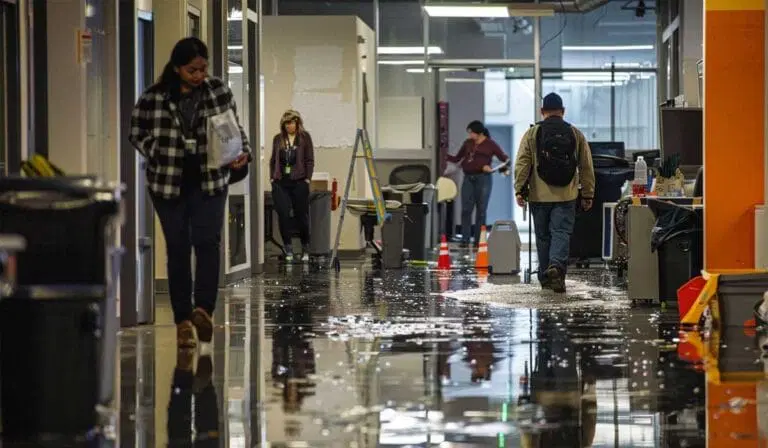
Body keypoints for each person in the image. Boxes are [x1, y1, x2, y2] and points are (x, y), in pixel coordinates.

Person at [129, 37, 251, 348]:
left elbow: (234, 127)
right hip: (168, 183)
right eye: (192, 70)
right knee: (178, 247)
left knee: (207, 242)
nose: (199, 75)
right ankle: (182, 319)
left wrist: (242, 152)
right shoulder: (153, 97)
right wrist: (155, 150)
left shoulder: (217, 91)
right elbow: (136, 131)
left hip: (209, 180)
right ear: (177, 67)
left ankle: (203, 311)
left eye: (203, 68)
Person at [514, 93, 595, 293]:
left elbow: (523, 163)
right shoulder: (575, 133)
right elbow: (586, 166)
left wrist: (520, 189)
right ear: (563, 111)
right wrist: (588, 193)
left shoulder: (532, 134)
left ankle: (546, 279)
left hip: (539, 196)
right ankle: (557, 268)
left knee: (543, 237)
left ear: (542, 111)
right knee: (561, 233)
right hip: (566, 195)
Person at [446, 120, 509, 248]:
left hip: (483, 178)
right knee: (466, 209)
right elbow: (457, 158)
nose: (470, 136)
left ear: (479, 133)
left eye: (471, 133)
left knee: (481, 210)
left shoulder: (490, 144)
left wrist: (492, 169)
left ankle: (478, 241)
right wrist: (443, 154)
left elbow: (505, 160)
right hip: (468, 178)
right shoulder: (468, 143)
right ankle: (465, 239)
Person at [270, 109, 315, 262]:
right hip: (281, 183)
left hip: (299, 181)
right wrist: (272, 178)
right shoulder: (278, 139)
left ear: (297, 123)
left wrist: (308, 179)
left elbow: (309, 160)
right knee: (283, 215)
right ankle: (288, 248)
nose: (289, 126)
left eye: (292, 122)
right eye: (286, 123)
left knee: (301, 215)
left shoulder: (304, 138)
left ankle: (305, 247)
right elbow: (273, 160)